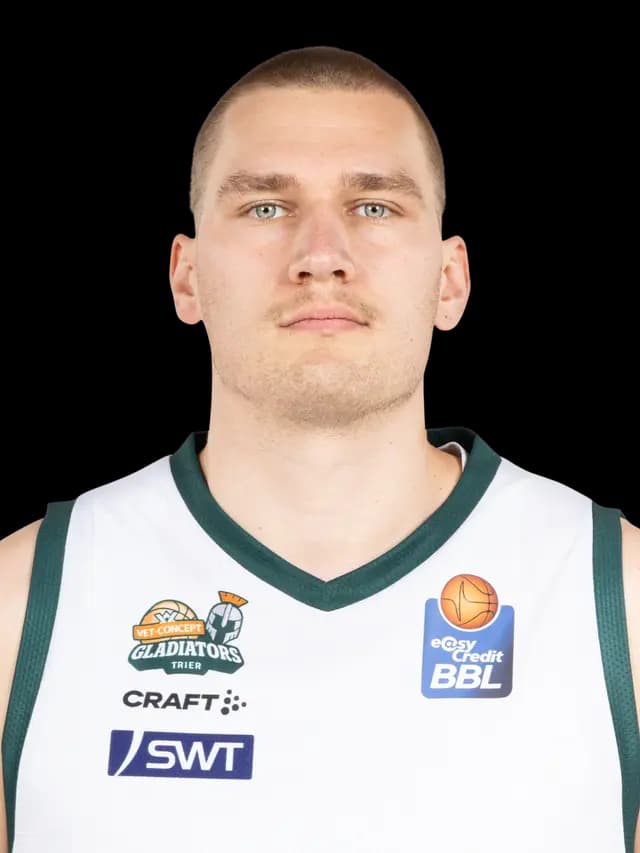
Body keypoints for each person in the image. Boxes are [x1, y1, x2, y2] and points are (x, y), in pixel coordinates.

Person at [0, 44, 638, 853]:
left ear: (450, 280)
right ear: (186, 276)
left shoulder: (618, 599)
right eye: (266, 207)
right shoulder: (22, 604)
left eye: (374, 206)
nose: (321, 255)